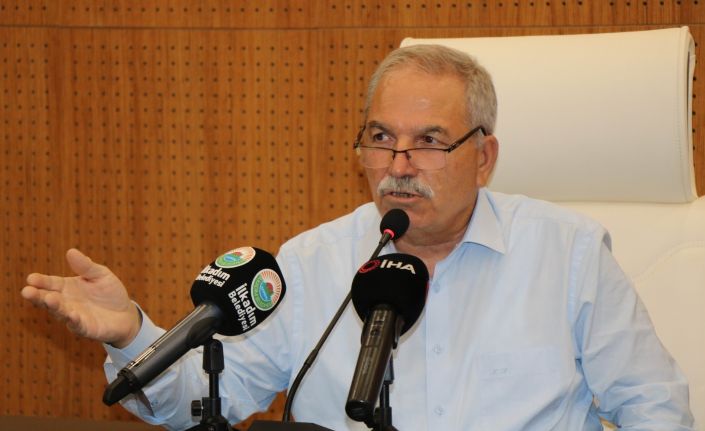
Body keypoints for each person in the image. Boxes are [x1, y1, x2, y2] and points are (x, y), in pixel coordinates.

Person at [22, 44, 695, 430]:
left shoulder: (568, 253)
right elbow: (204, 402)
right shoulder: (312, 263)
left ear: (483, 157)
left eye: (429, 142)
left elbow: (655, 410)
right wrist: (131, 334)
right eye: (381, 138)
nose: (399, 165)